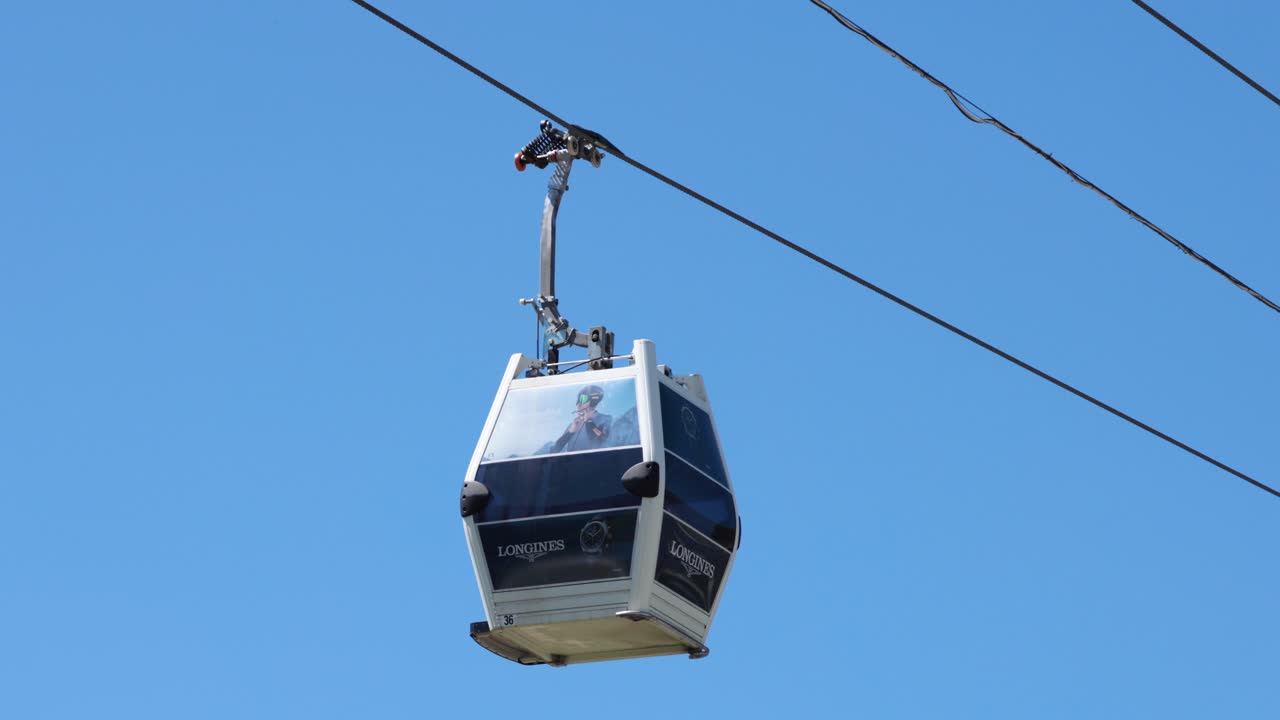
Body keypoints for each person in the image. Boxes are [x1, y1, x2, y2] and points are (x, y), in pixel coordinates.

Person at [550, 385, 613, 453]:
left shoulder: (605, 419)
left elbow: (600, 444)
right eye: (578, 400)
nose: (578, 405)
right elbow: (554, 451)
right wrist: (570, 432)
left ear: (593, 402)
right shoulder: (573, 425)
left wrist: (588, 422)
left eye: (582, 399)